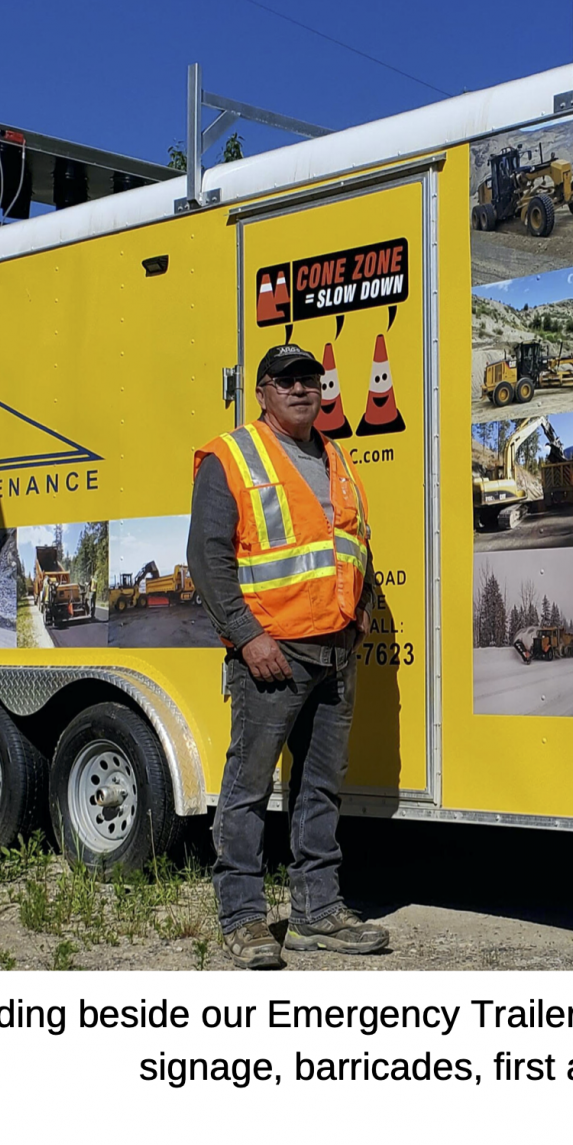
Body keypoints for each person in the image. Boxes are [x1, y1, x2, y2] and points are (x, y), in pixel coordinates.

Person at [187, 343, 388, 969]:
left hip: (335, 653)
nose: (302, 389)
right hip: (272, 654)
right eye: (286, 380)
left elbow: (353, 546)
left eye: (311, 379)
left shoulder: (336, 455)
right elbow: (208, 557)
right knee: (247, 788)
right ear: (264, 391)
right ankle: (244, 919)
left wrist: (355, 623)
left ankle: (316, 915)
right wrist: (247, 636)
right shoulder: (232, 457)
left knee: (320, 789)